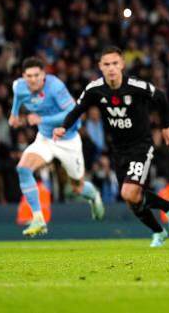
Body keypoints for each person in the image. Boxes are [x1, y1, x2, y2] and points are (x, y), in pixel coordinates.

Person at [53, 46, 169, 247]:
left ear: (122, 64)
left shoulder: (135, 86)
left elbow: (161, 97)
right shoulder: (94, 89)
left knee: (128, 192)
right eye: (107, 64)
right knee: (132, 200)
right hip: (119, 149)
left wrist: (166, 126)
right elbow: (78, 109)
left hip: (140, 146)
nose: (111, 68)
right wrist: (63, 127)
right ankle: (159, 230)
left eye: (115, 63)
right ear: (100, 67)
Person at [9, 57, 104, 237]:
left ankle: (93, 195)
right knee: (23, 168)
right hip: (45, 138)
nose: (33, 79)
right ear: (23, 76)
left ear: (43, 75)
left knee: (77, 187)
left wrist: (41, 119)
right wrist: (14, 114)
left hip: (68, 140)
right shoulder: (19, 86)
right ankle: (38, 219)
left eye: (37, 75)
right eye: (29, 76)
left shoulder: (55, 87)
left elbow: (72, 112)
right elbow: (18, 97)